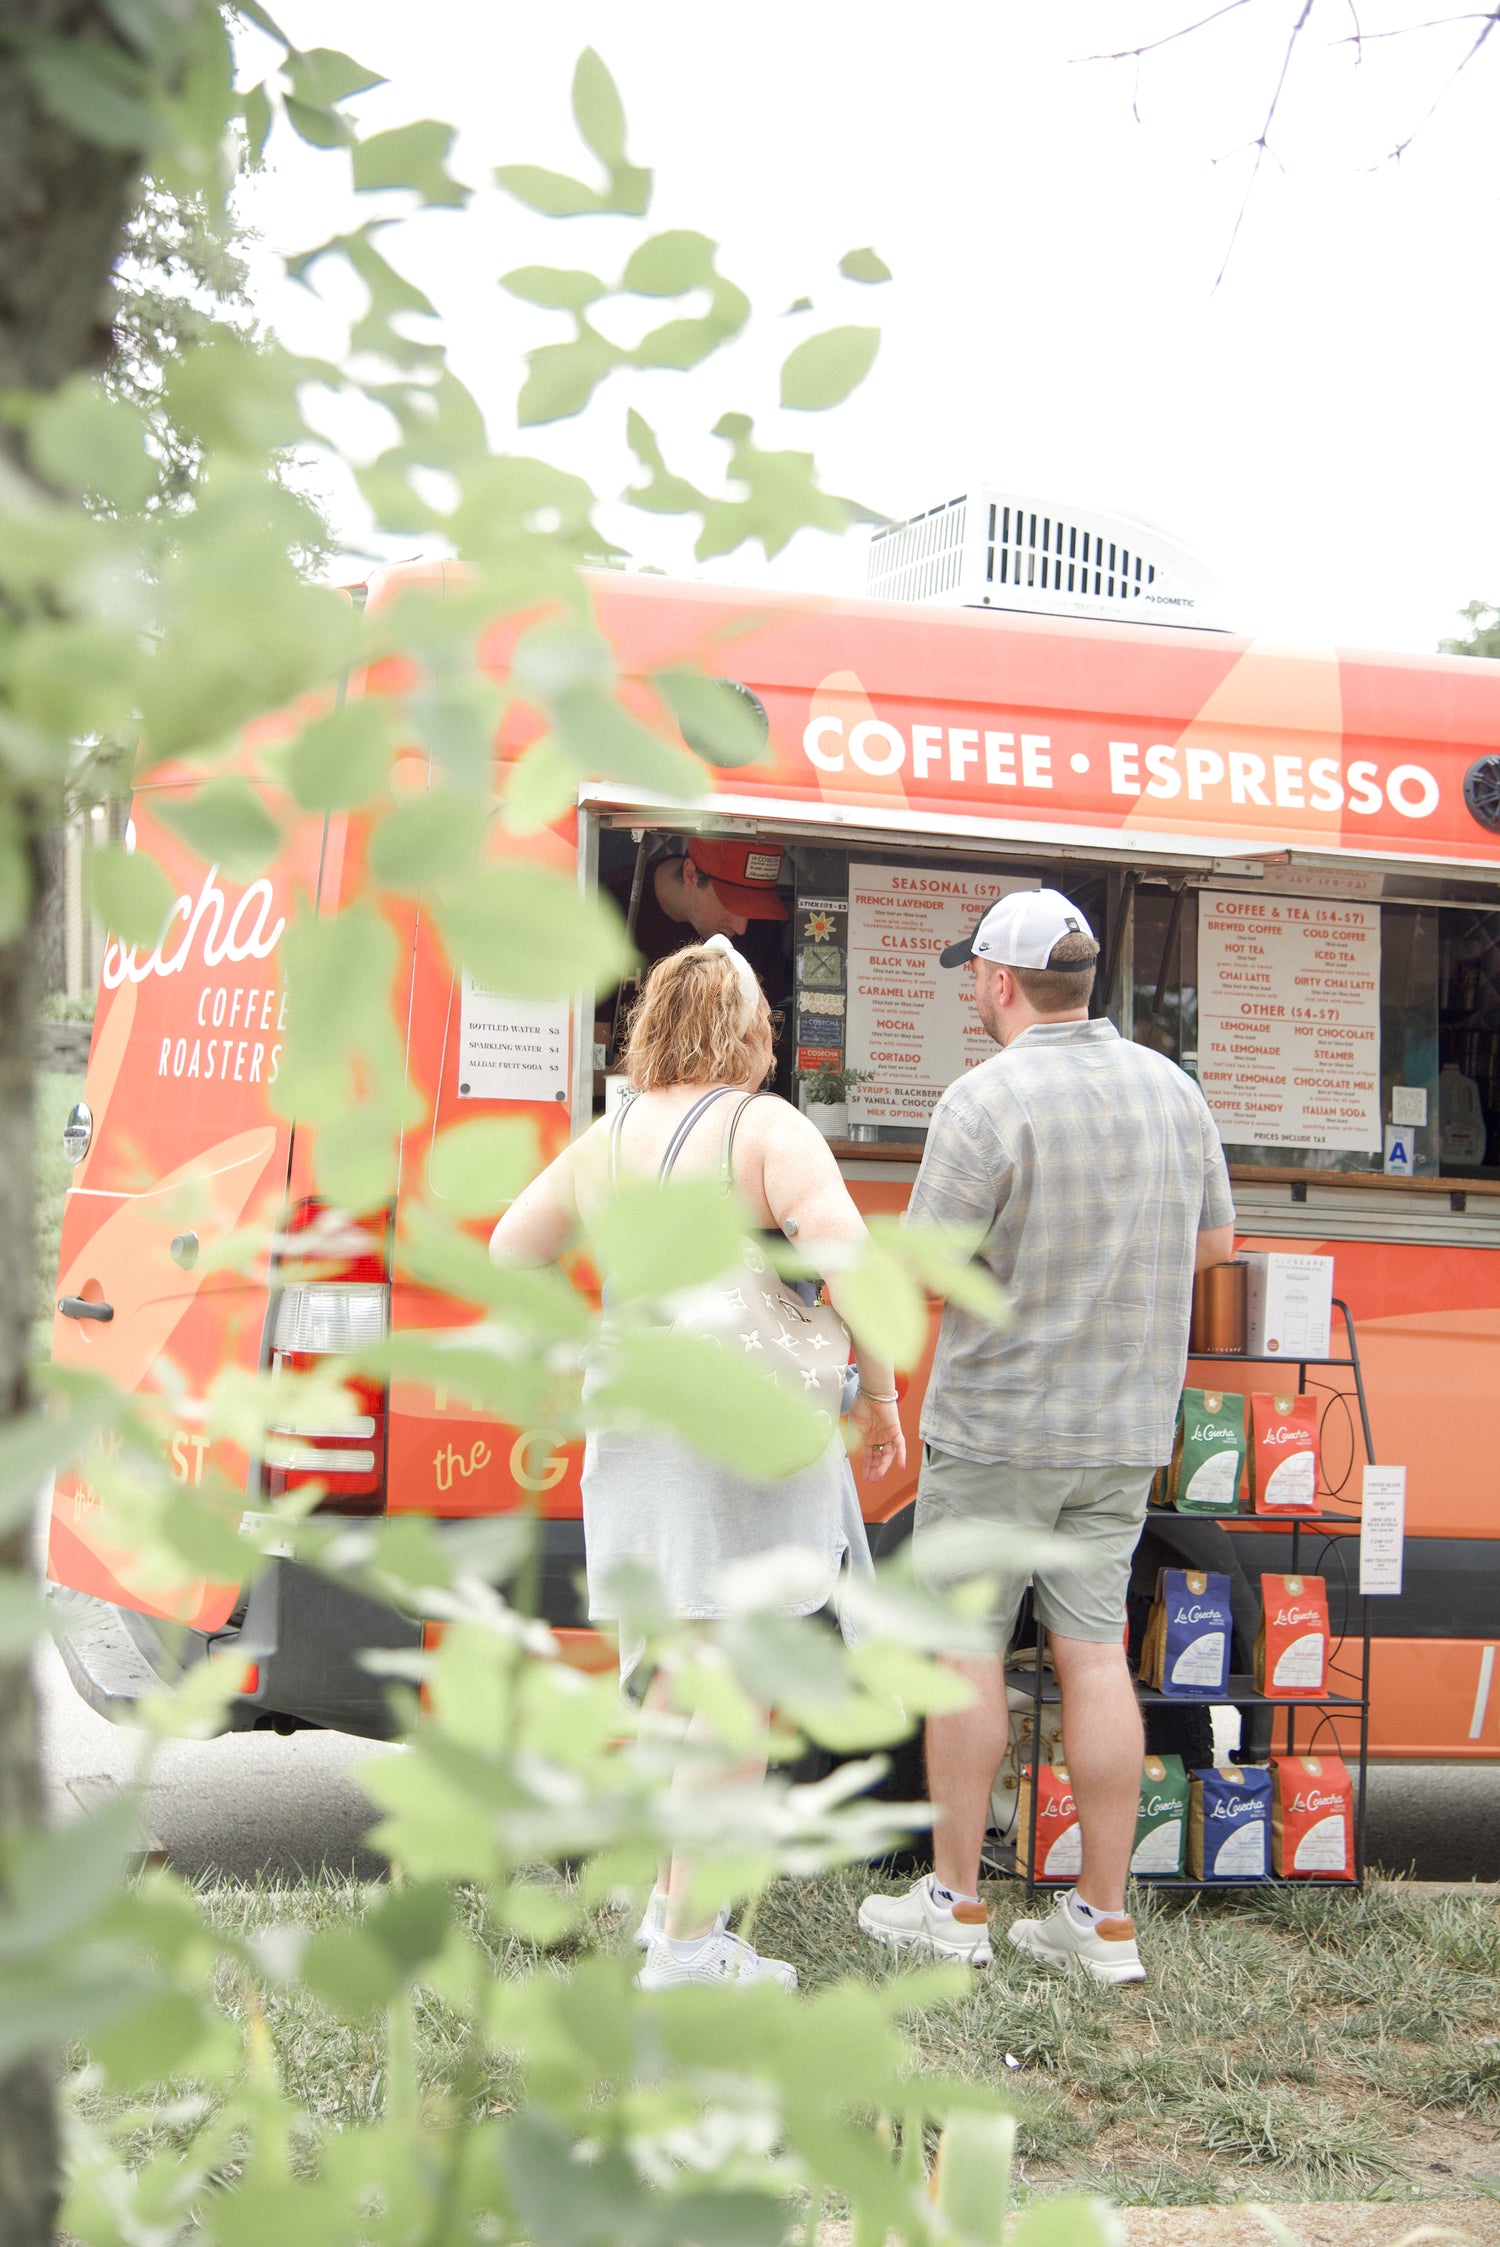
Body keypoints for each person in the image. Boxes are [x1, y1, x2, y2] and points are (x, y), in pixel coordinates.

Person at [491, 934, 905, 1990]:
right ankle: (689, 1951)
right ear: (752, 1030)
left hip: (633, 1412)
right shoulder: (768, 1129)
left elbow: (509, 1248)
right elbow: (845, 1259)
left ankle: (671, 1912)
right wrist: (889, 1391)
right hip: (741, 1428)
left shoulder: (611, 1133)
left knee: (679, 1667)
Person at [857, 888, 1234, 1988]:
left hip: (998, 1429)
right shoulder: (1175, 1088)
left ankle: (957, 1905)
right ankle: (1102, 1921)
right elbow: (1218, 1248)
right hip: (1122, 1429)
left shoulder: (985, 1100)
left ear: (1004, 981)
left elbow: (927, 1270)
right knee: (1094, 1655)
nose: (970, 990)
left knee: (968, 1649)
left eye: (972, 973)